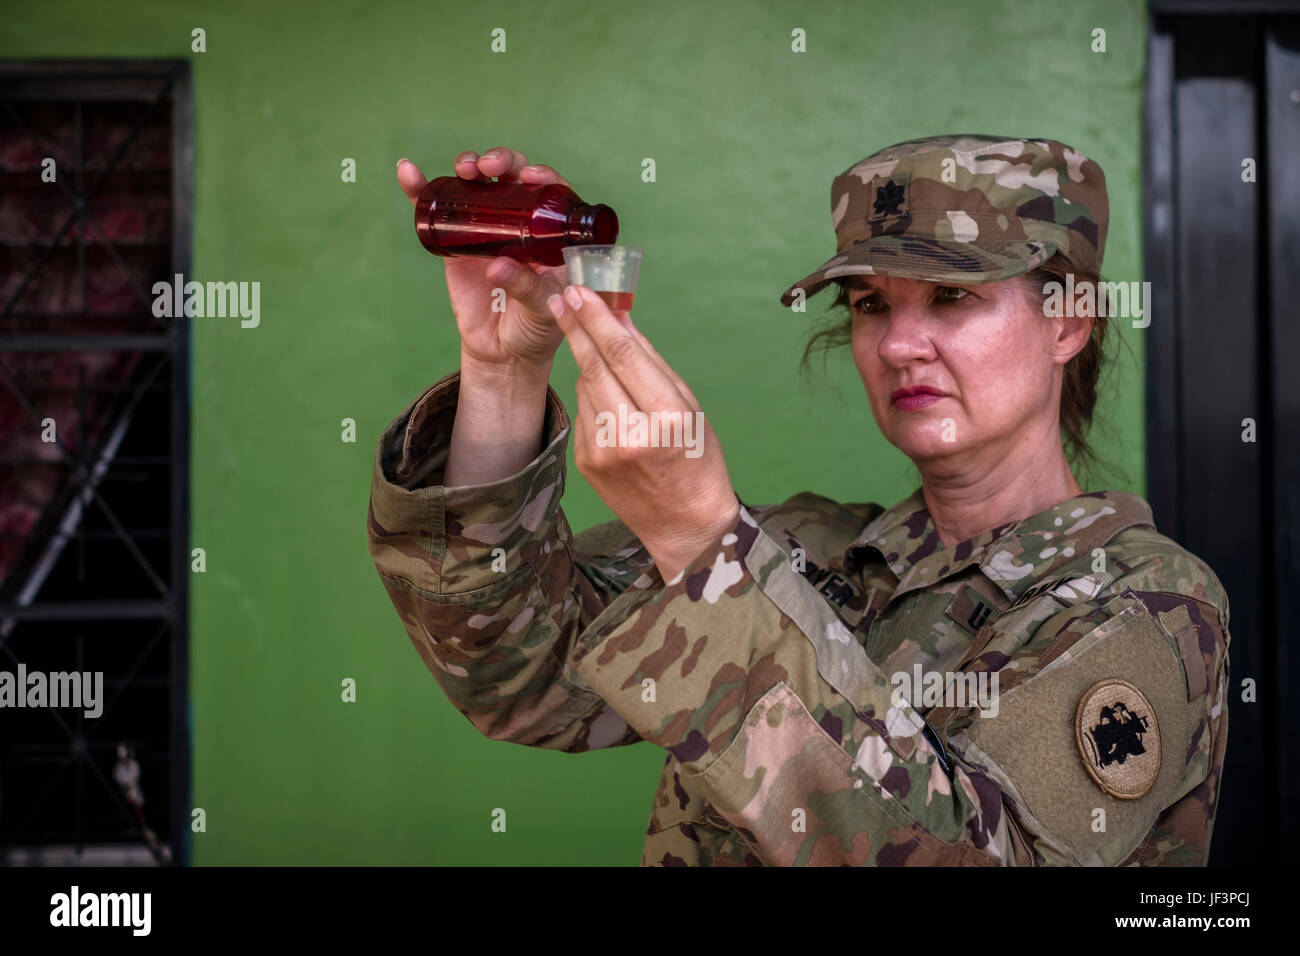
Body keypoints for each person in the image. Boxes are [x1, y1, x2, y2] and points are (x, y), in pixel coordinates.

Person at [369, 135, 1231, 866]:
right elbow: (514, 673)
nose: (897, 343)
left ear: (1068, 324)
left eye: (952, 297)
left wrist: (705, 545)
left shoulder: (1145, 605)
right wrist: (505, 368)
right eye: (868, 304)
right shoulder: (806, 549)